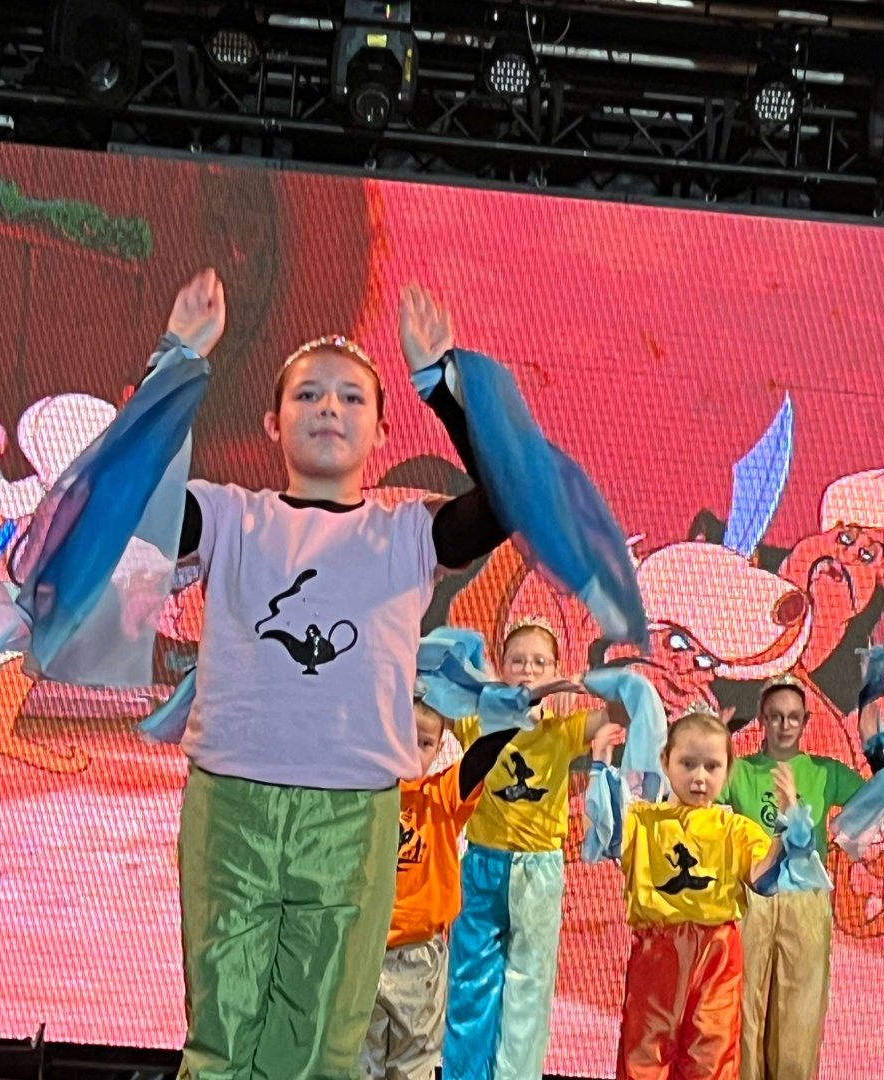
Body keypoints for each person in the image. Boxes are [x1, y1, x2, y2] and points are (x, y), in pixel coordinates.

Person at [156, 271, 515, 1080]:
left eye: (352, 398)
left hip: (352, 816)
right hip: (234, 804)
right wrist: (178, 360)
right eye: (308, 395)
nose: (329, 408)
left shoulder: (408, 534)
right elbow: (137, 495)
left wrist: (443, 386)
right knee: (221, 1039)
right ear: (272, 422)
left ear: (383, 430)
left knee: (323, 1044)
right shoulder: (229, 515)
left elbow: (506, 497)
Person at [444, 619, 623, 1080]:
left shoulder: (562, 731)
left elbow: (623, 710)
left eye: (540, 663)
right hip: (482, 865)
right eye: (517, 661)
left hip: (537, 873)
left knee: (528, 985)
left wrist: (576, 685)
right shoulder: (476, 722)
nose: (527, 670)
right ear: (501, 668)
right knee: (469, 981)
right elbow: (432, 685)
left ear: (555, 670)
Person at [591, 708, 796, 1080]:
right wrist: (601, 766)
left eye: (711, 766)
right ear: (665, 762)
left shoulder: (734, 829)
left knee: (711, 1052)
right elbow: (609, 834)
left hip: (716, 954)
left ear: (727, 771)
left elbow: (763, 880)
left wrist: (785, 829)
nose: (699, 777)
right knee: (645, 1052)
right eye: (687, 764)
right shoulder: (644, 822)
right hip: (658, 953)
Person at [716, 675, 884, 1080]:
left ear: (806, 721)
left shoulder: (824, 772)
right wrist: (710, 741)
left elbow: (883, 796)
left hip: (805, 903)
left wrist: (873, 739)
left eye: (794, 717)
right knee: (743, 1012)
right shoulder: (739, 772)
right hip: (751, 900)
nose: (785, 725)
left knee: (798, 1021)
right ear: (762, 719)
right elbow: (689, 789)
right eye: (776, 716)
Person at [362, 695, 532, 1080]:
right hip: (363, 952)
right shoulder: (359, 798)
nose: (412, 750)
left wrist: (516, 708)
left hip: (418, 957)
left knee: (413, 1063)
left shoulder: (442, 797)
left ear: (439, 749)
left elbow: (481, 757)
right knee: (358, 1063)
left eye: (425, 743)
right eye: (403, 735)